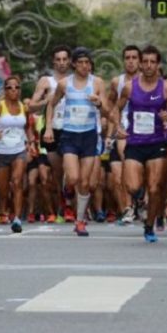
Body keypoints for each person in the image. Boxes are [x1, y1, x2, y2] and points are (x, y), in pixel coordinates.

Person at [115, 46, 167, 243]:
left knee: (155, 188)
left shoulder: (166, 87)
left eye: (153, 62)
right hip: (135, 141)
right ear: (141, 64)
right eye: (146, 62)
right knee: (133, 187)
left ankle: (149, 225)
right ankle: (139, 200)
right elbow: (115, 109)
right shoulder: (130, 86)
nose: (149, 65)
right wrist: (117, 126)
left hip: (157, 143)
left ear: (158, 64)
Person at [47, 47, 110, 237]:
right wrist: (49, 127)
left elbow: (107, 111)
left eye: (88, 63)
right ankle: (67, 189)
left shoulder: (97, 83)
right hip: (69, 135)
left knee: (85, 182)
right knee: (73, 178)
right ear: (74, 64)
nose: (85, 66)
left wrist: (99, 103)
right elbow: (52, 103)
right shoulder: (65, 84)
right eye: (81, 63)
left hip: (89, 135)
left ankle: (80, 221)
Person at [29, 45, 71, 223]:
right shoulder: (46, 81)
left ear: (69, 61)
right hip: (52, 130)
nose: (61, 63)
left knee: (71, 170)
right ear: (54, 62)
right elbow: (31, 106)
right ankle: (61, 203)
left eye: (64, 59)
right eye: (58, 59)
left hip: (72, 129)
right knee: (57, 172)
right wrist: (48, 100)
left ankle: (68, 206)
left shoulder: (76, 81)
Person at [0, 75, 31, 233]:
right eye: (10, 88)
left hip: (19, 150)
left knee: (17, 182)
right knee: (4, 190)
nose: (14, 90)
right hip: (2, 152)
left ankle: (17, 218)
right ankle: (3, 208)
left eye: (17, 88)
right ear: (5, 90)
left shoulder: (24, 107)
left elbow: (28, 127)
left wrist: (30, 143)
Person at [108, 45, 140, 225]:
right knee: (117, 174)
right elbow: (111, 106)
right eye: (127, 57)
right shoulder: (116, 82)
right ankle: (127, 209)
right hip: (123, 129)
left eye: (134, 57)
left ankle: (142, 202)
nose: (130, 61)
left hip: (144, 130)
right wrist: (113, 126)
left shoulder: (147, 80)